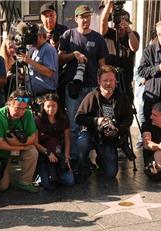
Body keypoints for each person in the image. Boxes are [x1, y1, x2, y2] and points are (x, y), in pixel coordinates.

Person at [58, 5, 109, 144]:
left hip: (92, 86)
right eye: (82, 17)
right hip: (73, 86)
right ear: (76, 19)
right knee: (74, 124)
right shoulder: (68, 35)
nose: (85, 20)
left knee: (92, 123)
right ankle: (73, 158)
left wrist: (106, 82)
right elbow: (60, 58)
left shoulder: (98, 38)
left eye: (87, 16)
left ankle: (89, 159)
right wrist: (74, 55)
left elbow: (102, 64)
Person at [74, 66, 133, 181]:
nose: (108, 84)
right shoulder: (91, 97)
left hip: (109, 139)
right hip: (91, 133)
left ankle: (101, 161)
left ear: (115, 81)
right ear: (99, 81)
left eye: (111, 80)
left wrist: (117, 129)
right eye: (105, 80)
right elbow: (78, 118)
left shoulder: (122, 97)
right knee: (82, 142)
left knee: (111, 173)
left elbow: (128, 119)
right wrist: (96, 121)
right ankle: (83, 168)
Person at [0, 90, 39, 193]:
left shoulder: (27, 114)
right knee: (2, 187)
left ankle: (25, 181)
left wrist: (17, 143)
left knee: (32, 151)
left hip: (15, 149)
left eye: (24, 109)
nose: (21, 112)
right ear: (9, 104)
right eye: (18, 108)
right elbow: (0, 144)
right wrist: (21, 146)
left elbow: (33, 137)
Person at [99, 1, 140, 97]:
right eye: (119, 25)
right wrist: (109, 4)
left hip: (126, 82)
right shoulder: (110, 33)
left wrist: (128, 29)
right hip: (110, 82)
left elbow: (134, 48)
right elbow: (103, 22)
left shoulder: (132, 34)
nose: (121, 28)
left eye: (124, 25)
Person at [35, 93, 74, 190]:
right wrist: (47, 153)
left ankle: (56, 175)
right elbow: (35, 142)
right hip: (44, 155)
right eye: (48, 106)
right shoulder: (38, 120)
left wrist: (67, 157)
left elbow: (67, 139)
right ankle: (41, 175)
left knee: (70, 182)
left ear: (58, 106)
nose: (50, 109)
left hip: (58, 155)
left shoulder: (63, 119)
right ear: (43, 106)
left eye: (53, 106)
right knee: (47, 185)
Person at [15, 24, 58, 100]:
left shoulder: (48, 49)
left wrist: (30, 61)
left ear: (41, 36)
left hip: (45, 96)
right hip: (32, 95)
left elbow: (49, 73)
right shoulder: (34, 49)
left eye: (33, 36)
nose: (31, 39)